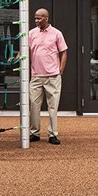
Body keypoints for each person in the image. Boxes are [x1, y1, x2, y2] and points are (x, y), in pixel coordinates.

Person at [28, 8, 68, 145]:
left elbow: (64, 52)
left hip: (52, 76)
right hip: (36, 76)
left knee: (53, 107)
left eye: (39, 18)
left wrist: (60, 70)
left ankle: (52, 134)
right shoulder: (31, 33)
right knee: (34, 106)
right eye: (35, 18)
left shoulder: (57, 33)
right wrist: (15, 59)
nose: (36, 21)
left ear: (46, 18)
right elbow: (25, 50)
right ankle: (34, 133)